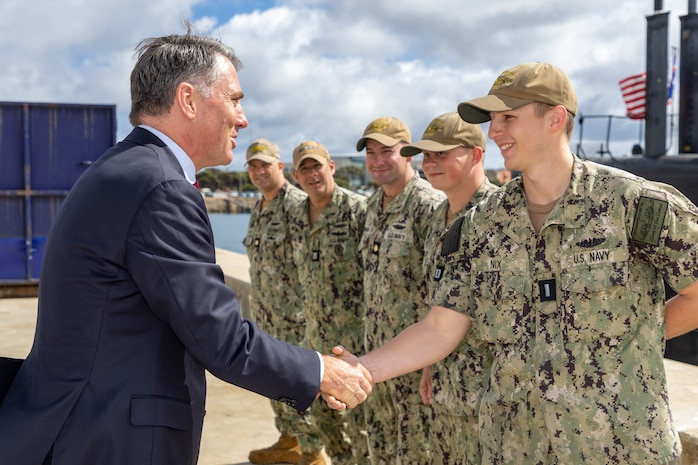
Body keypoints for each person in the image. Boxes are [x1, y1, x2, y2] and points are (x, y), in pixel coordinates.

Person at [0, 26, 371, 465]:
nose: (243, 118)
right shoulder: (159, 186)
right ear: (189, 100)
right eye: (234, 99)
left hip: (82, 425)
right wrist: (319, 371)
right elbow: (219, 336)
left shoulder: (122, 168)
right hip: (110, 438)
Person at [339, 62, 698, 465]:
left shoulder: (632, 205)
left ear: (555, 118)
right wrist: (362, 367)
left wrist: (631, 339)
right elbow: (440, 328)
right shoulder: (479, 225)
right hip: (514, 447)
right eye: (492, 120)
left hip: (621, 447)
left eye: (508, 117)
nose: (494, 132)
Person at [400, 111, 496, 465]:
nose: (431, 162)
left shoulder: (500, 217)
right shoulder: (440, 217)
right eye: (427, 155)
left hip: (490, 401)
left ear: (475, 155)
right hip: (447, 390)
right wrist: (428, 365)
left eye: (443, 152)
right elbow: (438, 303)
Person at [356, 116, 444, 464]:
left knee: (414, 454)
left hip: (411, 361)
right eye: (371, 153)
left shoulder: (429, 206)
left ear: (407, 155)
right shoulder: (370, 207)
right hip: (375, 356)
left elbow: (440, 290)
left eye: (387, 152)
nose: (377, 161)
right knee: (379, 447)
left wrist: (430, 363)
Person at [288, 141, 369, 465]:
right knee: (326, 423)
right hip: (314, 341)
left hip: (353, 344)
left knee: (362, 428)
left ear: (331, 167)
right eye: (304, 169)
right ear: (296, 176)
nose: (312, 174)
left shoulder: (357, 211)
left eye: (317, 166)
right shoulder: (296, 215)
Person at [243, 138, 317, 465]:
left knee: (301, 390)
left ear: (280, 167)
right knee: (276, 388)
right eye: (253, 165)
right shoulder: (259, 209)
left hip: (297, 320)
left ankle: (313, 453)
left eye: (265, 165)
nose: (259, 171)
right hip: (268, 318)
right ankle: (289, 443)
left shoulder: (297, 206)